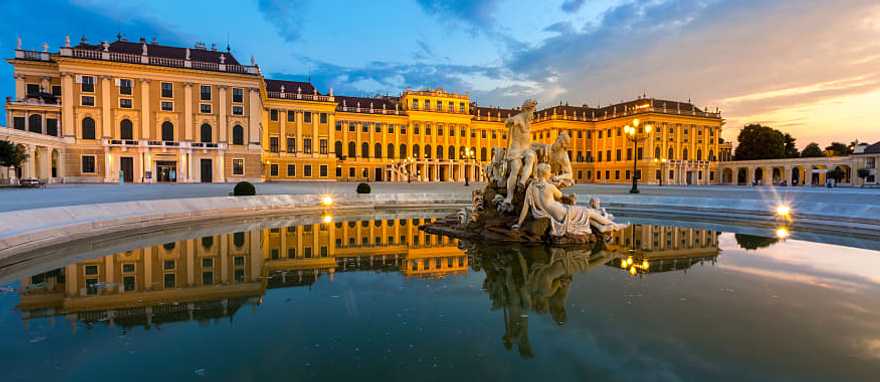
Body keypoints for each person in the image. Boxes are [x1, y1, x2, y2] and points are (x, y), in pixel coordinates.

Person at [513, 163, 622, 237]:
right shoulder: (549, 187)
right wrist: (571, 196)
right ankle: (614, 225)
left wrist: (519, 224)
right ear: (546, 174)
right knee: (588, 211)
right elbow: (563, 197)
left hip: (548, 214)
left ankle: (600, 227)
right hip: (562, 214)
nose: (551, 174)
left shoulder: (531, 187)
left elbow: (525, 208)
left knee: (585, 213)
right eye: (550, 172)